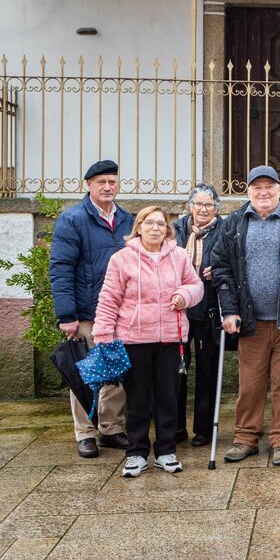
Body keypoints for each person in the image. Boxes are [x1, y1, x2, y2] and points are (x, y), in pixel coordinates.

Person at [211, 165, 280, 467]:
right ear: (247, 191)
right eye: (257, 187)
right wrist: (230, 309)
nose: (263, 192)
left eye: (269, 187)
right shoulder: (233, 223)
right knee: (250, 384)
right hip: (250, 322)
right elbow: (221, 269)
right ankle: (246, 438)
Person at [92, 206, 204, 477]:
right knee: (137, 400)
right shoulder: (122, 259)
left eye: (161, 224)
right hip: (133, 339)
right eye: (149, 223)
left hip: (170, 338)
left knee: (168, 397)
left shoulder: (178, 256)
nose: (156, 228)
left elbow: (196, 285)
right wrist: (103, 336)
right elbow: (108, 300)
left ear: (168, 229)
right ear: (138, 227)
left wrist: (184, 295)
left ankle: (165, 451)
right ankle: (136, 453)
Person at [49, 159, 133, 459]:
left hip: (122, 312)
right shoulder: (72, 219)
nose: (108, 187)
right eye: (101, 182)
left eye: (112, 181)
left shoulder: (127, 219)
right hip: (86, 311)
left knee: (118, 370)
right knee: (85, 373)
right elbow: (61, 269)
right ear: (89, 185)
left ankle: (110, 428)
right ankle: (85, 433)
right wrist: (67, 315)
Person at [172, 183, 226, 448]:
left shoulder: (225, 229)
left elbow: (233, 261)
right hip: (179, 309)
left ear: (216, 208)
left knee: (207, 370)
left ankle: (203, 429)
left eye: (209, 205)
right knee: (177, 370)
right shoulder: (177, 229)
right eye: (199, 204)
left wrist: (219, 270)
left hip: (210, 309)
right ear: (190, 206)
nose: (204, 209)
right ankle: (176, 426)